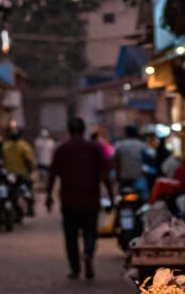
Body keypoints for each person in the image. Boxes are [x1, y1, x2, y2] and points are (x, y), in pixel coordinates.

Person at [46, 117, 109, 280]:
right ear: (83, 130)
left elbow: (53, 174)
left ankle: (75, 268)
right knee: (90, 231)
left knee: (71, 235)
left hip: (69, 199)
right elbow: (105, 172)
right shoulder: (95, 147)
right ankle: (88, 252)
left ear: (69, 130)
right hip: (90, 197)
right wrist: (110, 193)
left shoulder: (62, 149)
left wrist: (48, 195)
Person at [114, 124, 147, 198]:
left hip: (124, 179)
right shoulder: (143, 145)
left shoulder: (120, 145)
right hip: (139, 177)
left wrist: (117, 177)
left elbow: (116, 163)